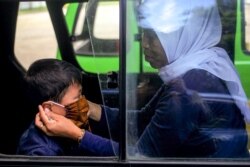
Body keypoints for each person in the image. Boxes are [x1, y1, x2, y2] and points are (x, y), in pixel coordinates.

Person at [25, 0, 250, 157]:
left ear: (178, 36)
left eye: (153, 37)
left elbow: (140, 157)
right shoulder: (194, 70)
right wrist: (90, 108)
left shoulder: (188, 88)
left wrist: (76, 134)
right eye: (143, 35)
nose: (144, 44)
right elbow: (143, 120)